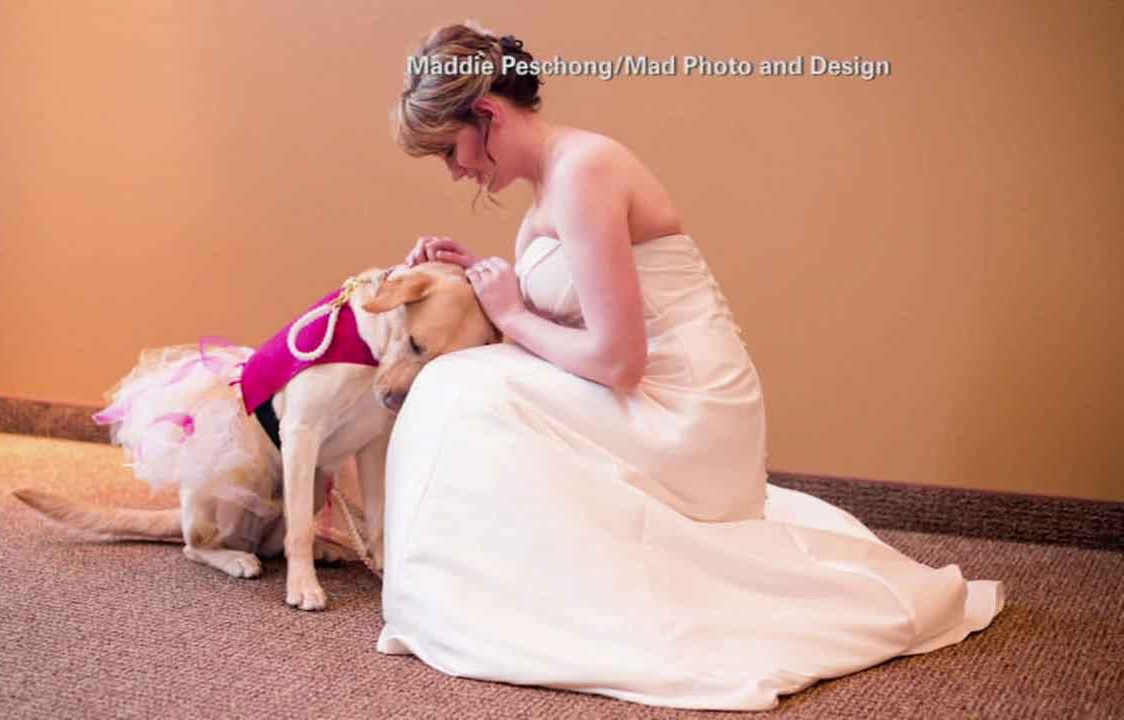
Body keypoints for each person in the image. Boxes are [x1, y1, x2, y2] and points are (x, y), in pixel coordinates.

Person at [376, 22, 1003, 711]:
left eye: (449, 150)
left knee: (460, 389)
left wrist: (514, 315)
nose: (456, 170)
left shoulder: (585, 170)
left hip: (685, 409)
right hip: (645, 393)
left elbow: (616, 362)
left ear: (487, 114)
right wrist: (474, 279)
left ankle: (490, 599)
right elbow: (558, 327)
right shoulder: (549, 192)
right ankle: (492, 592)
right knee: (461, 385)